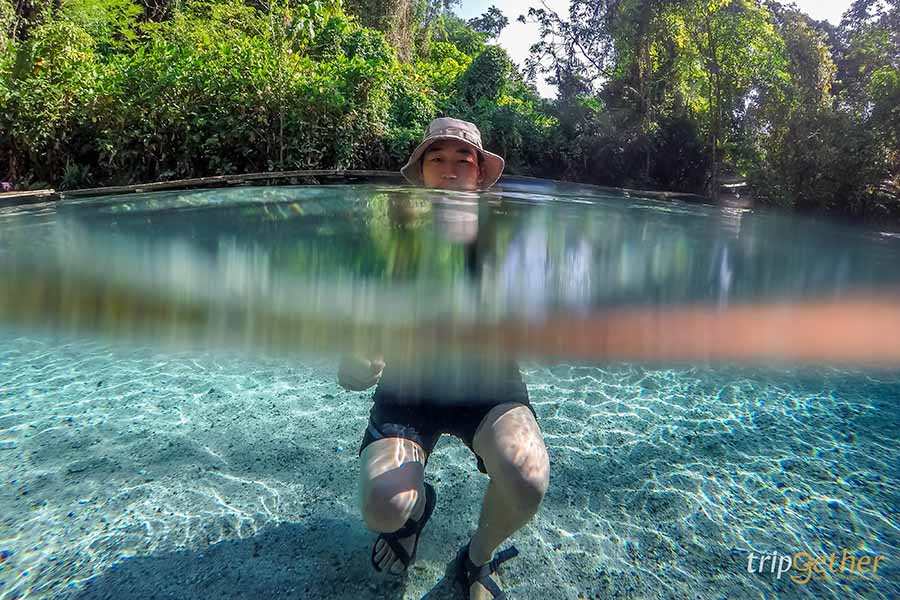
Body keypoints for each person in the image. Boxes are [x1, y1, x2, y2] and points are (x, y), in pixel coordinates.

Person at [338, 118, 550, 600]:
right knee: (383, 506)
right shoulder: (395, 236)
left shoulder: (501, 237)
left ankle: (474, 561)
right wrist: (355, 356)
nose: (451, 171)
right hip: (410, 384)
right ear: (423, 172)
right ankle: (410, 519)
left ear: (479, 175)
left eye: (463, 161)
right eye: (438, 159)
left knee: (528, 476)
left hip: (488, 383)